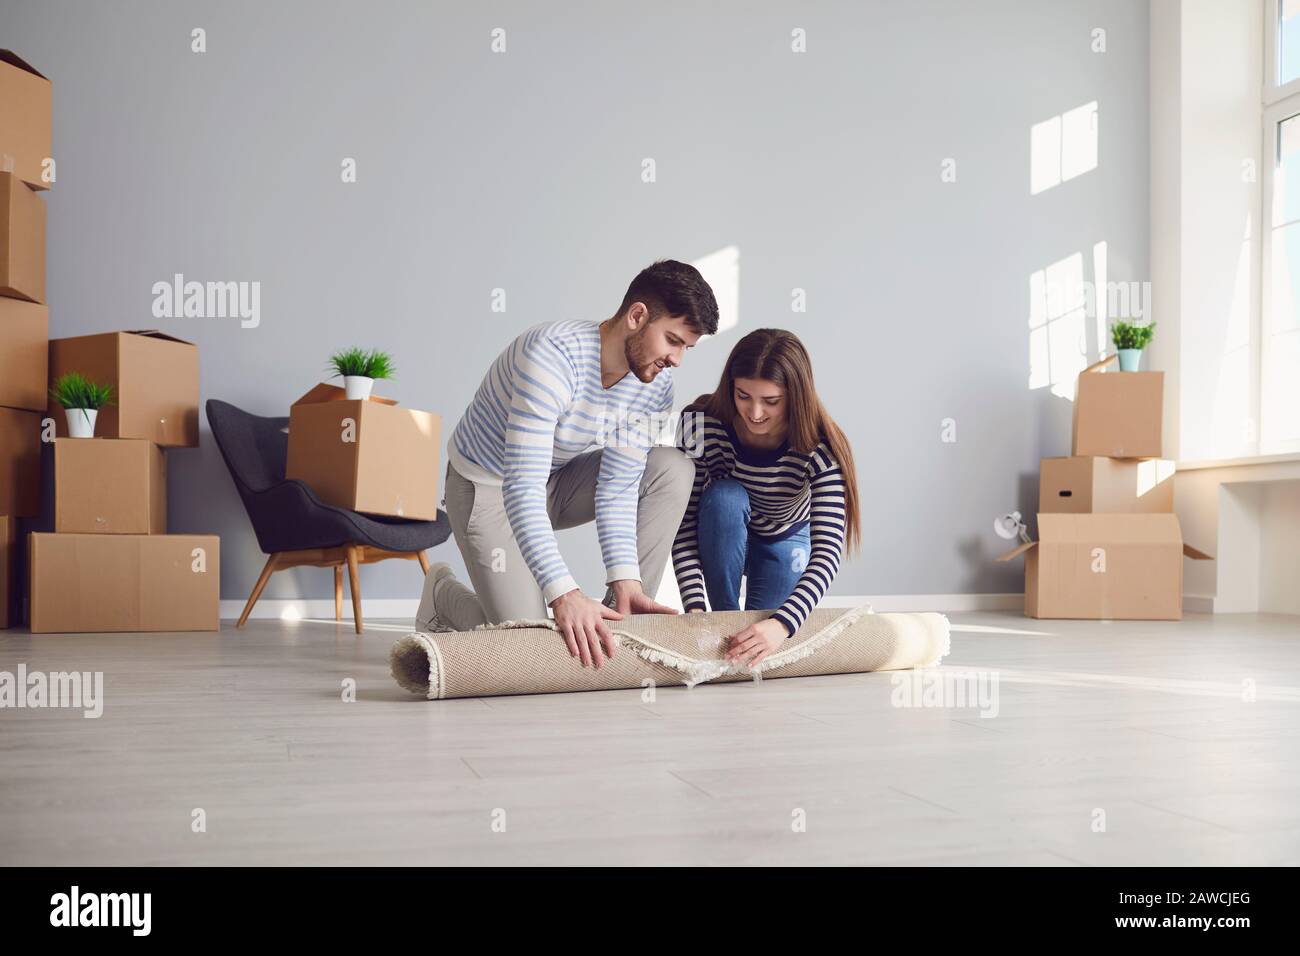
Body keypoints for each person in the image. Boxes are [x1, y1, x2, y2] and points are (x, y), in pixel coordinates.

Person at [418, 260, 720, 669]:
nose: (677, 359)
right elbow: (520, 489)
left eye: (686, 347)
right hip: (487, 489)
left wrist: (623, 576)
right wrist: (565, 594)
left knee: (671, 468)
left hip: (554, 481)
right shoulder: (551, 358)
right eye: (672, 340)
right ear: (636, 316)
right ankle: (442, 597)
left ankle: (622, 618)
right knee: (530, 650)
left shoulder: (655, 384)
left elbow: (618, 486)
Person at [670, 328, 860, 667]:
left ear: (795, 397)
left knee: (762, 645)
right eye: (743, 396)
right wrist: (696, 612)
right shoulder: (700, 423)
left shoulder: (822, 447)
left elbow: (828, 550)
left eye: (771, 401)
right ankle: (723, 615)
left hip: (784, 540)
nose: (754, 412)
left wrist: (782, 625)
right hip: (724, 530)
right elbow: (683, 526)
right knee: (725, 496)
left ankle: (749, 623)